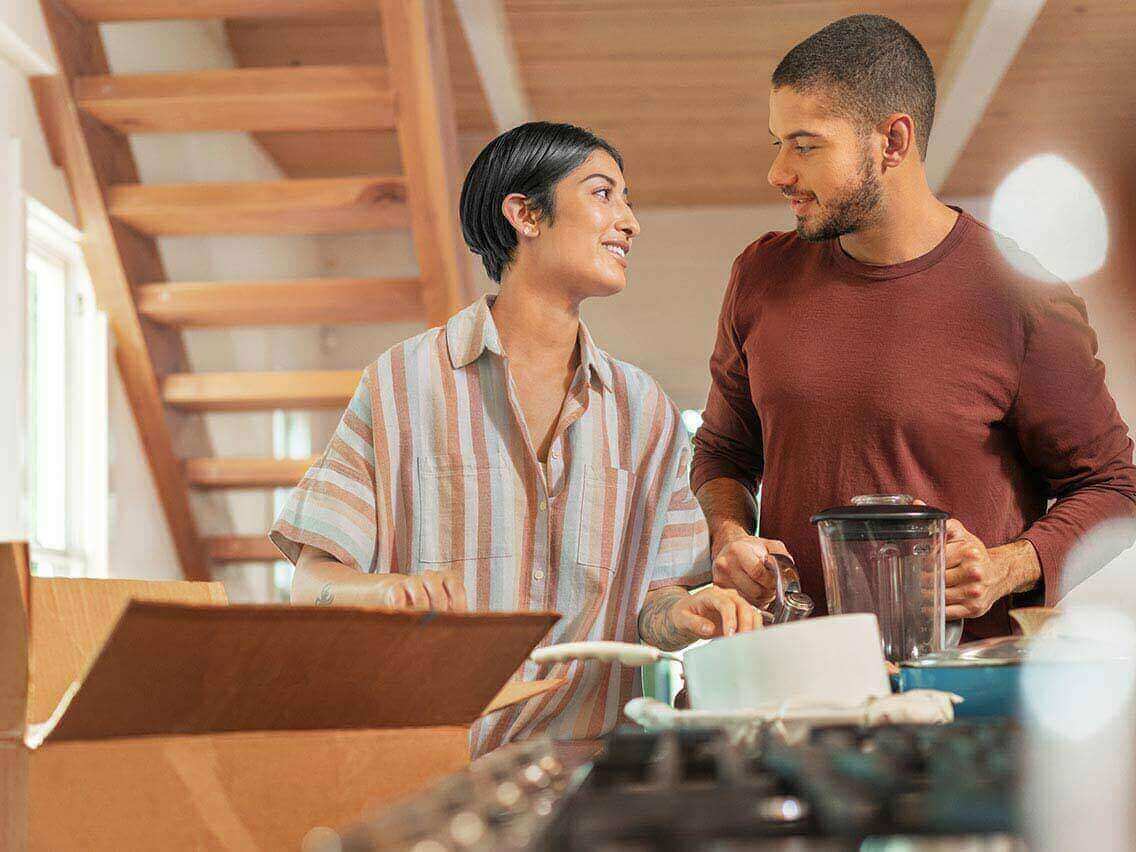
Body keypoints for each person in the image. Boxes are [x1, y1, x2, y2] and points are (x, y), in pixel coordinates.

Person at [270, 122, 757, 756]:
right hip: (428, 767)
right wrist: (387, 592)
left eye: (627, 200)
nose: (630, 222)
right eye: (603, 194)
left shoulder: (645, 411)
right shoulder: (402, 384)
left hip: (587, 771)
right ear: (525, 214)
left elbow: (655, 607)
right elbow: (311, 583)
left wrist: (689, 615)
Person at [693, 14, 1136, 639]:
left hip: (962, 681)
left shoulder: (1022, 296)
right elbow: (723, 452)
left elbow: (1114, 485)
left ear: (893, 142)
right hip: (800, 672)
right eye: (778, 143)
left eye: (805, 145)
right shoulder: (760, 274)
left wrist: (1007, 566)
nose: (779, 173)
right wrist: (730, 534)